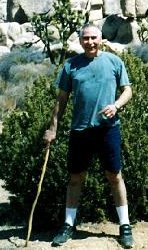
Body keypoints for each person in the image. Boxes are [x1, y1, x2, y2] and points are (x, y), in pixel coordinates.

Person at [44, 24, 134, 248]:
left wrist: (116, 105)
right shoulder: (71, 66)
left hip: (108, 129)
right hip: (80, 130)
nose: (90, 42)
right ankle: (68, 225)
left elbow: (128, 90)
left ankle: (125, 226)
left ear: (101, 39)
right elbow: (61, 100)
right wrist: (53, 128)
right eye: (86, 39)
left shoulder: (114, 62)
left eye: (94, 38)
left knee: (115, 176)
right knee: (75, 178)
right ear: (80, 41)